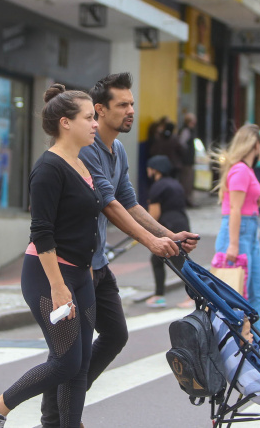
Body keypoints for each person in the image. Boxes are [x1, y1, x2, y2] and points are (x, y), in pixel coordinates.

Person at [38, 72, 198, 428]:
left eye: (132, 104)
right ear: (100, 110)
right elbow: (109, 204)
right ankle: (55, 418)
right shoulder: (86, 149)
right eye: (123, 105)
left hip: (96, 262)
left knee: (114, 335)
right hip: (73, 264)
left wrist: (169, 235)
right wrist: (152, 243)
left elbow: (128, 200)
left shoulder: (119, 150)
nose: (131, 111)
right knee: (68, 353)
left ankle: (67, 403)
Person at [0, 84, 102, 428]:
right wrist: (59, 286)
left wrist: (86, 271)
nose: (95, 124)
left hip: (80, 274)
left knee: (80, 363)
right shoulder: (48, 168)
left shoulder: (81, 163)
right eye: (89, 117)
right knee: (65, 362)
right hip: (48, 275)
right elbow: (42, 232)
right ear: (66, 122)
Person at [213, 124, 260, 316]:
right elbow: (235, 208)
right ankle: (239, 335)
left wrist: (259, 198)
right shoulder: (241, 170)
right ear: (256, 145)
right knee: (237, 296)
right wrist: (233, 245)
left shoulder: (247, 170)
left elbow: (243, 204)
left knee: (257, 293)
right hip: (238, 233)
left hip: (250, 233)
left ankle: (254, 335)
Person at [145, 154, 190, 308]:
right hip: (182, 223)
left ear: (154, 170)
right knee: (160, 259)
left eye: (149, 168)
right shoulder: (175, 184)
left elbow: (153, 215)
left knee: (179, 263)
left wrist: (141, 231)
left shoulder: (157, 187)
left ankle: (195, 295)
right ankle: (159, 295)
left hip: (168, 228)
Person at [178, 113, 197, 206]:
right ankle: (186, 200)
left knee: (188, 181)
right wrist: (186, 154)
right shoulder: (186, 131)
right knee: (186, 181)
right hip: (186, 161)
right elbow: (182, 144)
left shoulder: (188, 130)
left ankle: (187, 199)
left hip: (188, 161)